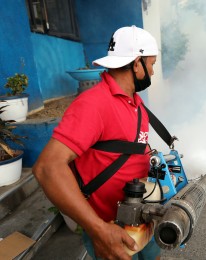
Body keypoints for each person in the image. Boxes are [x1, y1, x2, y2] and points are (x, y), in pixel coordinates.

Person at [33, 25, 161, 260]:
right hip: (110, 230)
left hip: (144, 220)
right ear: (136, 63)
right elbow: (47, 167)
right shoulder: (93, 104)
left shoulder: (137, 103)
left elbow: (125, 149)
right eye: (151, 64)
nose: (152, 72)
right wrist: (99, 230)